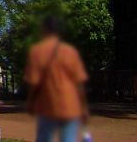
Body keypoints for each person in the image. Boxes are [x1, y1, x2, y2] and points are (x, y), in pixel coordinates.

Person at [24, 14, 89, 142]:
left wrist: (30, 102)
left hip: (47, 104)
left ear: (45, 29)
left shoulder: (37, 51)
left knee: (44, 138)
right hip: (71, 105)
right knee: (69, 139)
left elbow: (34, 82)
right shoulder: (70, 51)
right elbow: (79, 82)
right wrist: (84, 106)